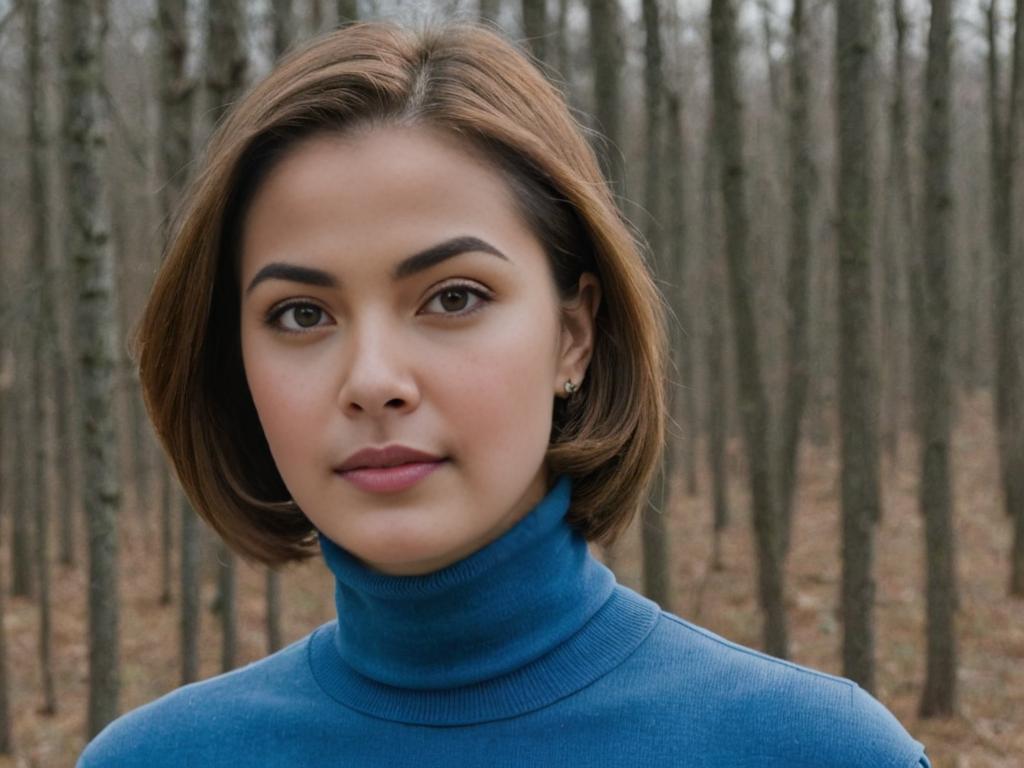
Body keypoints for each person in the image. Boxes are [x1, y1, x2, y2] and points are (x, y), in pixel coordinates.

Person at [78, 19, 932, 767]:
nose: (373, 380)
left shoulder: (817, 752)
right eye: (301, 313)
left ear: (574, 335)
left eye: (453, 297)